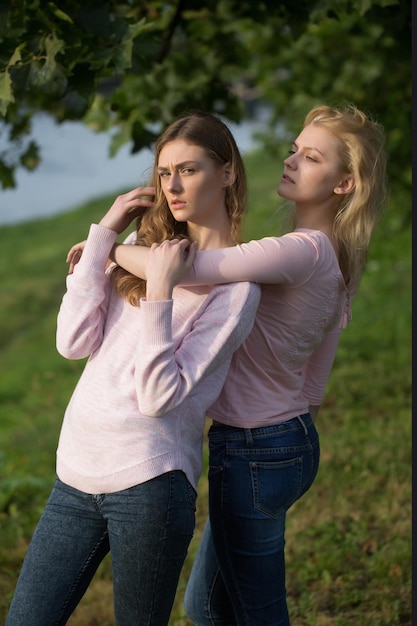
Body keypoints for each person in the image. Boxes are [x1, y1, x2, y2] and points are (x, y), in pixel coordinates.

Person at [79, 103, 387, 625]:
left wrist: (103, 252)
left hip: (255, 448)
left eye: (311, 158)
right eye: (294, 149)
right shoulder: (337, 255)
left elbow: (183, 267)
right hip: (287, 440)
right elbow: (314, 384)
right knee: (207, 605)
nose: (291, 161)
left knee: (257, 610)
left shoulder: (302, 250)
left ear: (344, 184)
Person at [4, 112, 261, 626]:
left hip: (149, 485)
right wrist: (105, 235)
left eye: (188, 170)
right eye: (164, 173)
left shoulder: (236, 292)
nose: (173, 186)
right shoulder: (135, 253)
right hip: (74, 474)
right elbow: (71, 343)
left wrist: (162, 291)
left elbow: (157, 396)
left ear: (228, 172)